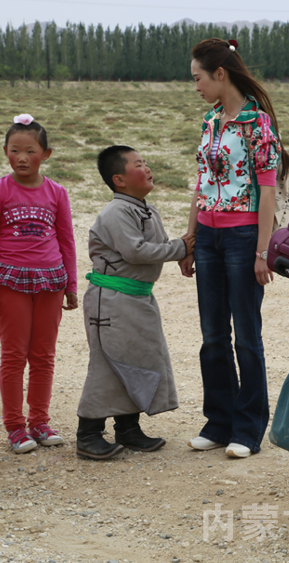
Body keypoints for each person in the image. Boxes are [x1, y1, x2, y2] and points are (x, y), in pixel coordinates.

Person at [179, 38, 286, 459]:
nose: (196, 87)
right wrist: (190, 239)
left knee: (246, 336)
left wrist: (263, 252)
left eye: (198, 78)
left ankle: (248, 428)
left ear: (220, 74)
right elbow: (201, 184)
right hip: (208, 239)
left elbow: (268, 192)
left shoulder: (258, 124)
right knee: (212, 336)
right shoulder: (210, 121)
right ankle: (219, 422)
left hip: (243, 239)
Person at [76, 145, 194, 460]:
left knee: (136, 360)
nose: (147, 168)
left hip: (138, 297)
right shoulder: (115, 212)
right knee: (107, 364)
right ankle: (88, 434)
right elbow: (136, 252)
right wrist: (180, 248)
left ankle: (128, 429)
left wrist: (181, 250)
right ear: (119, 180)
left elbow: (161, 246)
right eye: (138, 164)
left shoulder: (148, 210)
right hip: (111, 300)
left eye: (146, 162)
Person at [0, 114, 78, 453]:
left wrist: (71, 285)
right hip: (10, 283)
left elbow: (66, 240)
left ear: (45, 154)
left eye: (30, 151)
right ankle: (15, 427)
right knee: (14, 355)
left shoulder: (57, 192)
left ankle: (40, 422)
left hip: (51, 282)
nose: (21, 158)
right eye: (14, 150)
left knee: (44, 356)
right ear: (5, 151)